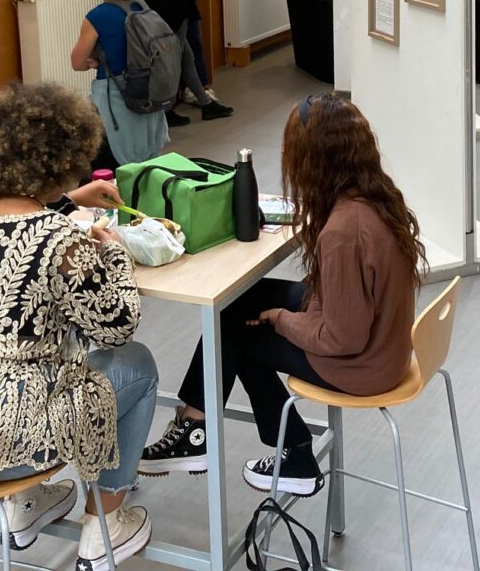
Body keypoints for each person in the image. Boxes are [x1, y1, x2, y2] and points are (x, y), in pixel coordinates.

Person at [0, 84, 157, 565]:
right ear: (62, 158)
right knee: (134, 364)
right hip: (6, 440)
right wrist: (116, 252)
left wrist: (68, 201)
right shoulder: (61, 241)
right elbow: (117, 325)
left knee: (33, 365)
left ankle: (23, 504)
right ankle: (108, 521)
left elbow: (20, 226)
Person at [139, 95, 424, 496]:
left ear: (312, 159)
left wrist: (283, 320)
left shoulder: (343, 231)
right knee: (239, 304)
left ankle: (289, 452)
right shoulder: (373, 197)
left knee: (237, 335)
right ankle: (196, 427)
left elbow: (343, 338)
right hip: (384, 345)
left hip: (363, 364)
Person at [72, 0, 168, 166]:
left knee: (103, 170)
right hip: (148, 96)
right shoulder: (141, 5)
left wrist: (93, 62)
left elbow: (77, 63)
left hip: (116, 103)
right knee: (146, 167)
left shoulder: (98, 16)